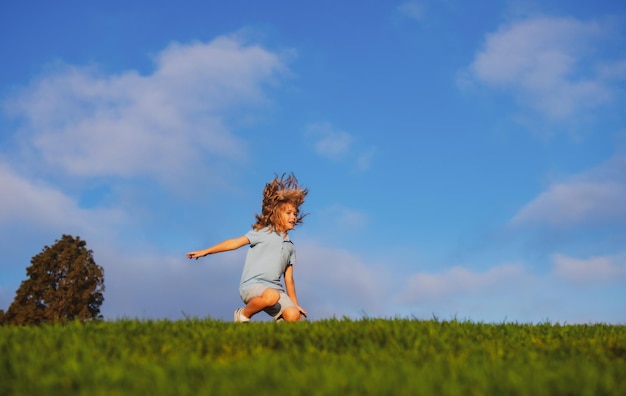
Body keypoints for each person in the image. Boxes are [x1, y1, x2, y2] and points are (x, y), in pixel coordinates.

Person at [186, 173, 308, 323]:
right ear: (276, 214)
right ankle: (243, 314)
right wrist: (206, 251)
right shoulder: (263, 233)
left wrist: (295, 303)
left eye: (295, 214)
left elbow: (289, 279)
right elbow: (234, 243)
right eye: (288, 213)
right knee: (271, 296)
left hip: (275, 289)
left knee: (294, 316)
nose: (293, 217)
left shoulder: (290, 246)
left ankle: (278, 327)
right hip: (253, 285)